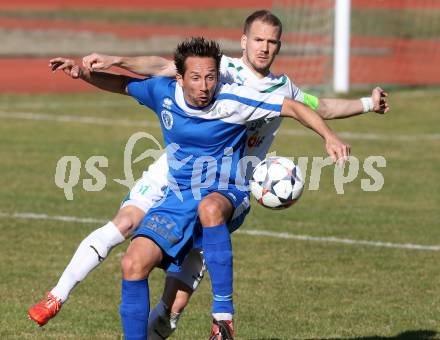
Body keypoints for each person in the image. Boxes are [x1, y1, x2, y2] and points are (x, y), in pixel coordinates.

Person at [28, 10, 386, 339]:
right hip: (177, 170)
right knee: (124, 227)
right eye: (258, 39)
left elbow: (319, 107)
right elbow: (162, 68)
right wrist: (114, 60)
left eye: (272, 41)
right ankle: (58, 294)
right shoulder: (221, 69)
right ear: (244, 40)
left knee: (174, 306)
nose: (264, 48)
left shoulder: (281, 90)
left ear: (280, 45)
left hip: (226, 182)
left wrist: (368, 104)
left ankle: (182, 321)